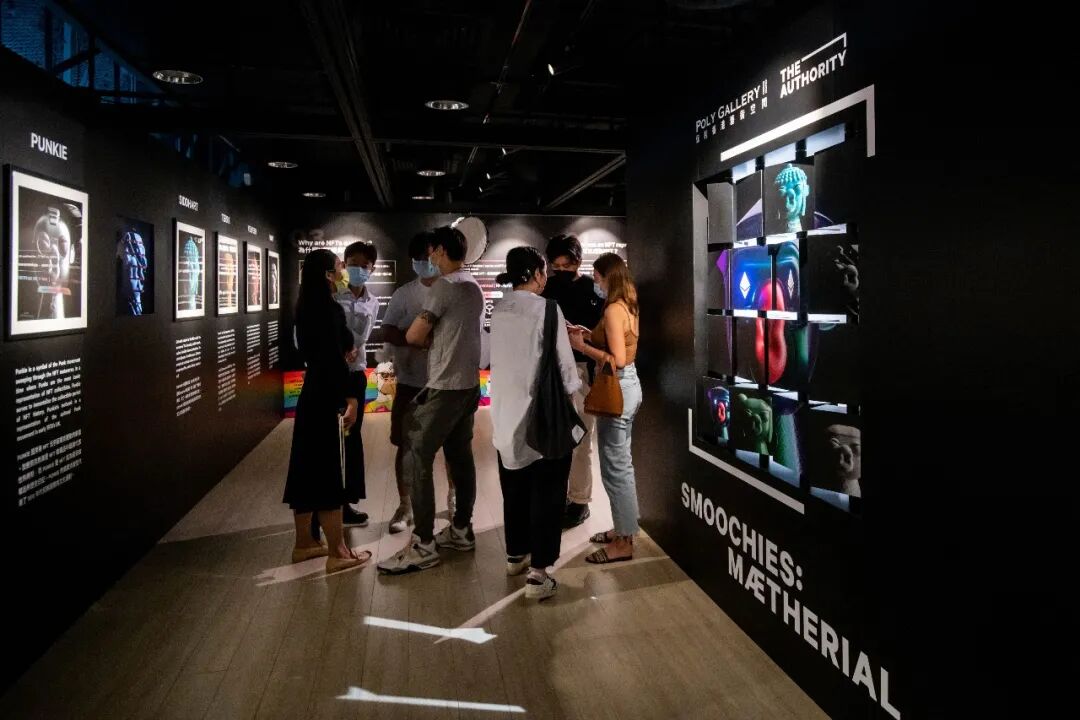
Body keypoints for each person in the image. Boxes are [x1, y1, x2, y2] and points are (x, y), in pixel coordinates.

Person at [378, 226, 483, 574]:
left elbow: (413, 334)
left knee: (416, 456)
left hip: (444, 386)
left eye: (432, 252)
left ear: (439, 250)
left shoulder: (444, 286)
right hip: (468, 386)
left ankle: (423, 544)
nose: (430, 258)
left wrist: (425, 335)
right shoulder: (472, 285)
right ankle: (462, 529)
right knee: (460, 456)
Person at [490, 247, 580, 600]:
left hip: (504, 414)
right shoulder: (547, 309)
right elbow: (565, 368)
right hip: (541, 416)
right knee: (548, 490)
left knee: (514, 486)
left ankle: (516, 554)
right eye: (544, 270)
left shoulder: (499, 309)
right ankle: (539, 574)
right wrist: (573, 400)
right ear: (534, 273)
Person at [283, 249, 371, 573]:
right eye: (339, 266)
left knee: (306, 469)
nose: (344, 271)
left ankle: (304, 543)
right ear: (327, 274)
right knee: (328, 471)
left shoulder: (306, 307)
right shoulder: (328, 310)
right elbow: (335, 358)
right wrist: (350, 398)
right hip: (327, 396)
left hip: (311, 394)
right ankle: (338, 551)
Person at [567, 253, 642, 563]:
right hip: (629, 387)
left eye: (597, 276)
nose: (594, 281)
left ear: (607, 276)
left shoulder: (612, 309)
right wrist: (589, 333)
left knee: (615, 469)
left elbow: (617, 360)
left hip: (617, 389)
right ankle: (624, 529)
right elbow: (617, 343)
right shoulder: (627, 305)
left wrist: (582, 347)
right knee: (621, 465)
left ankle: (624, 542)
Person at [380, 231, 445, 534]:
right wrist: (414, 339)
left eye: (429, 257)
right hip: (410, 381)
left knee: (453, 445)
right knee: (406, 445)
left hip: (446, 382)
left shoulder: (454, 290)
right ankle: (405, 506)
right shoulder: (404, 294)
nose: (425, 263)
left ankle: (454, 500)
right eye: (419, 259)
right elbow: (387, 330)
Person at [541, 234, 603, 529]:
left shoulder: (593, 289)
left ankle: (579, 500)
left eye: (567, 265)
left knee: (581, 439)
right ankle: (557, 497)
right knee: (554, 439)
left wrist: (583, 339)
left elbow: (601, 334)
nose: (562, 270)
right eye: (557, 266)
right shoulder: (547, 288)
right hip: (553, 370)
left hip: (583, 371)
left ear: (578, 261)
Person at [333, 240, 381, 528]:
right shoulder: (332, 295)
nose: (358, 269)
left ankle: (345, 503)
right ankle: (325, 503)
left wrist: (353, 347)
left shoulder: (373, 302)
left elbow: (364, 335)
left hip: (354, 373)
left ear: (372, 269)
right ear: (344, 263)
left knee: (351, 437)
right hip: (331, 373)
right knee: (330, 439)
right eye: (353, 264)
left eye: (364, 266)